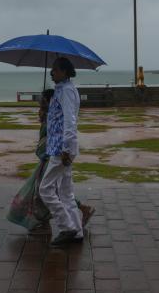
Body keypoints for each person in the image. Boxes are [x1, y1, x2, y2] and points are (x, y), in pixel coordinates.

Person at [7, 89, 95, 231]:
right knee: (51, 189)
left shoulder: (53, 117)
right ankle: (67, 212)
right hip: (49, 157)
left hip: (51, 157)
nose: (40, 101)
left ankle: (76, 216)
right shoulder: (48, 115)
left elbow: (52, 136)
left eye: (43, 100)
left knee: (49, 189)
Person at [40, 57, 84, 246]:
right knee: (65, 191)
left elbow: (69, 120)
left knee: (46, 189)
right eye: (52, 69)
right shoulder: (62, 90)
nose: (52, 72)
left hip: (62, 148)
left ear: (65, 72)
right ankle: (77, 230)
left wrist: (66, 148)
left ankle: (67, 227)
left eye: (55, 70)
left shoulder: (66, 91)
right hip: (61, 146)